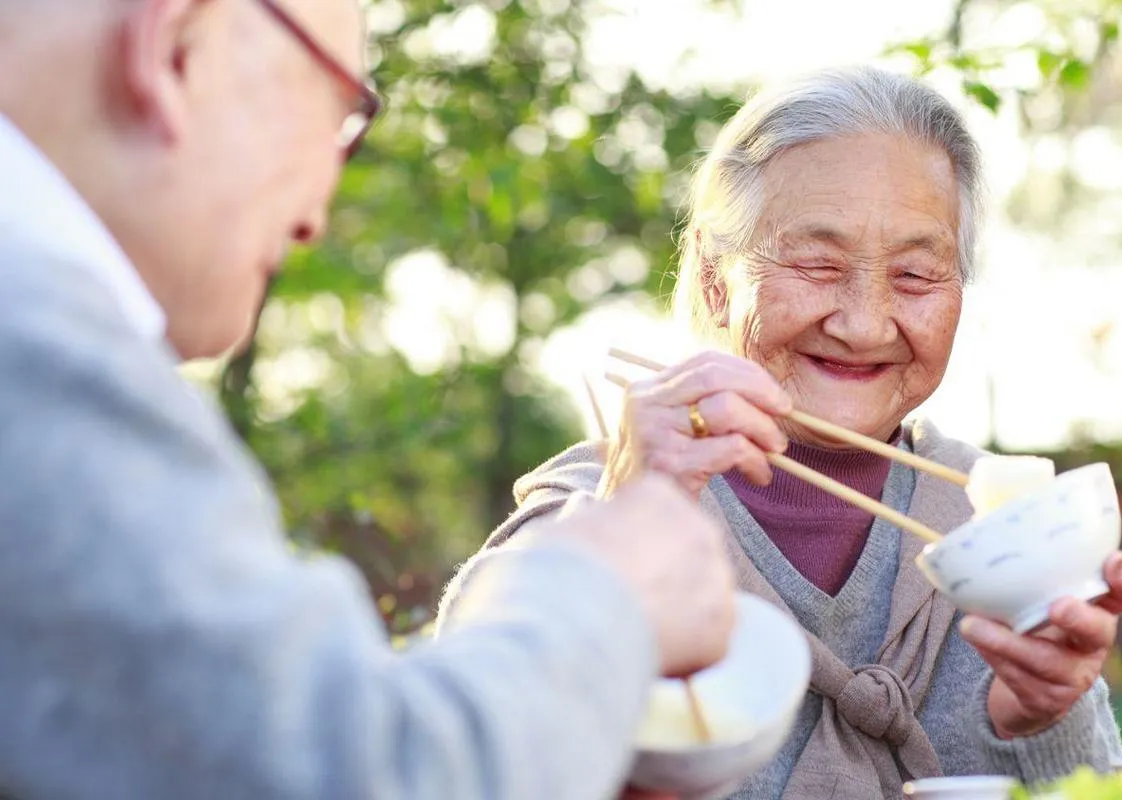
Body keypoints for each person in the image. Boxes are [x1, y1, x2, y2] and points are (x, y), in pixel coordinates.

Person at [0, 1, 736, 798]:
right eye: (340, 117)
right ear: (177, 49)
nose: (321, 210)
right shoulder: (35, 347)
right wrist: (602, 602)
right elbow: (349, 773)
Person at [443, 67, 1122, 799]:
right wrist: (621, 531)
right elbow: (454, 742)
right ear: (717, 280)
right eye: (817, 264)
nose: (865, 322)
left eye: (914, 275)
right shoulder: (600, 498)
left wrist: (1041, 719)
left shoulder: (997, 526)